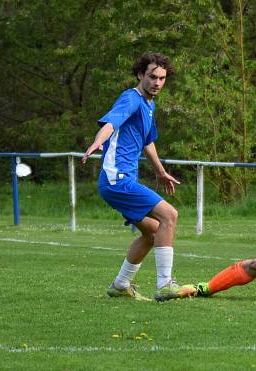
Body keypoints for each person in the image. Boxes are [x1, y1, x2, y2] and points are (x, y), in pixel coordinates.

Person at [82, 52, 195, 302]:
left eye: (162, 78)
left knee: (154, 233)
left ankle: (120, 285)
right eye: (152, 77)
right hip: (117, 179)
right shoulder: (131, 99)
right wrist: (96, 143)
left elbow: (148, 142)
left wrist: (160, 171)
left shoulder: (148, 105)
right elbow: (110, 123)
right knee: (170, 215)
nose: (157, 82)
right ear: (140, 75)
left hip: (122, 180)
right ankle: (165, 284)